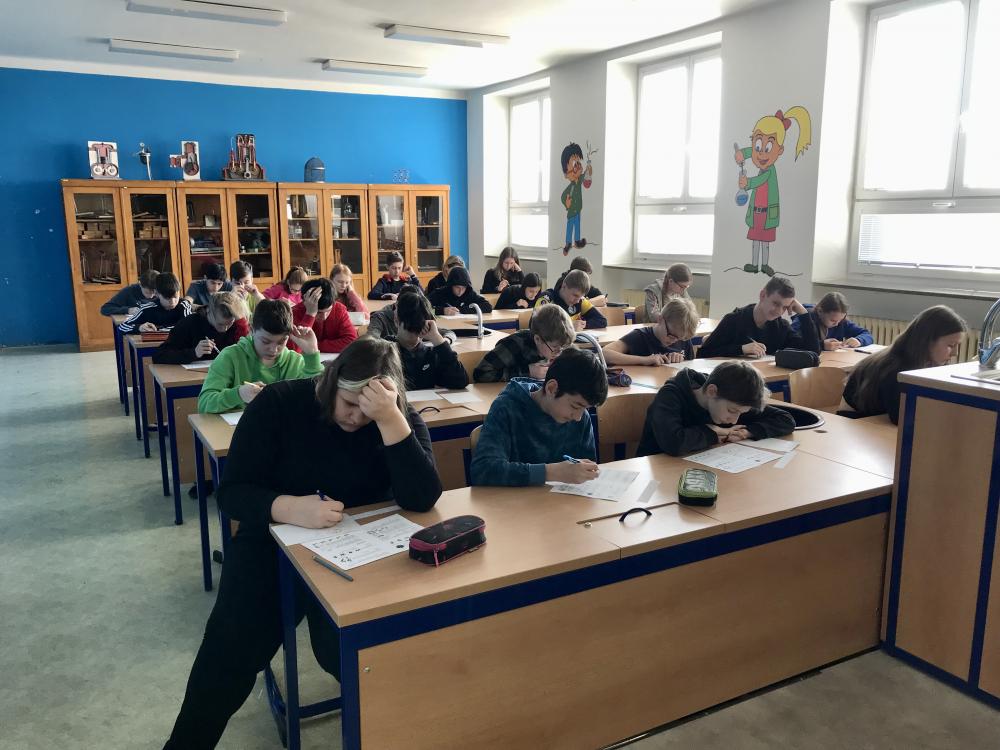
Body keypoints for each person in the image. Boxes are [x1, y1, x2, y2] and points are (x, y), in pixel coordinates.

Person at [165, 338, 442, 749]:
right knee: (228, 655)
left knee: (353, 656)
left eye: (369, 411)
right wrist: (290, 508)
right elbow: (233, 492)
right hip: (271, 544)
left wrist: (390, 421)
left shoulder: (392, 417)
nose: (356, 417)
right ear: (331, 382)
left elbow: (422, 498)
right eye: (349, 404)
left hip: (359, 557)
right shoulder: (280, 404)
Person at [471, 348, 607, 486]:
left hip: (560, 499)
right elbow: (483, 470)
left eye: (585, 408)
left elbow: (587, 470)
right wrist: (551, 472)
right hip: (512, 499)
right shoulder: (507, 407)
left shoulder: (581, 417)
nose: (578, 417)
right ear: (552, 388)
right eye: (575, 406)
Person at [637, 361, 795, 456]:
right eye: (732, 411)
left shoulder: (735, 400)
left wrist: (747, 432)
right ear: (712, 391)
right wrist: (712, 432)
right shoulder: (671, 395)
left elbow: (786, 420)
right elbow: (673, 443)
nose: (734, 420)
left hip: (702, 466)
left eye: (741, 413)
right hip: (659, 473)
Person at [842, 305, 966, 424]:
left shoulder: (923, 364)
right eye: (951, 345)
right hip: (855, 423)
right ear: (927, 341)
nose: (955, 353)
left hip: (877, 422)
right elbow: (902, 418)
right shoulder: (897, 369)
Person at [197, 299, 324, 413]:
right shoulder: (230, 356)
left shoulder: (294, 361)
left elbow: (321, 403)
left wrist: (312, 355)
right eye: (265, 341)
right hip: (236, 429)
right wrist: (238, 394)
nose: (273, 349)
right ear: (252, 330)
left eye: (281, 342)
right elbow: (204, 403)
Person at [697, 276, 819, 358]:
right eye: (776, 303)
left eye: (785, 307)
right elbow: (703, 354)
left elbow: (813, 352)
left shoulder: (781, 327)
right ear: (763, 295)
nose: (779, 311)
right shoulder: (734, 320)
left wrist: (803, 314)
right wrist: (741, 349)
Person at [474, 304, 576, 383]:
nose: (559, 353)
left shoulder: (558, 344)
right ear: (538, 339)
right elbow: (481, 374)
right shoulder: (515, 344)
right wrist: (527, 372)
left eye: (563, 347)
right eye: (555, 347)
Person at [389, 291, 468, 390]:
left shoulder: (431, 354)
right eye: (410, 328)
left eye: (418, 328)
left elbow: (460, 382)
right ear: (396, 320)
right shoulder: (383, 351)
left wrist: (437, 339)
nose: (415, 336)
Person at [152, 291, 249, 365]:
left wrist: (241, 323)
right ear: (208, 311)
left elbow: (249, 353)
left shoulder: (236, 324)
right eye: (220, 324)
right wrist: (194, 353)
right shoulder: (190, 323)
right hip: (191, 379)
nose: (225, 329)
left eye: (229, 323)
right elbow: (159, 356)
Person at [604, 298, 700, 366]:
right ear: (660, 320)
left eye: (680, 338)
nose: (674, 341)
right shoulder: (640, 336)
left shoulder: (683, 339)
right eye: (671, 335)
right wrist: (645, 360)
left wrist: (680, 361)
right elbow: (605, 353)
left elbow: (690, 367)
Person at [289, 277, 358, 354]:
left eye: (328, 311)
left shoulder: (339, 309)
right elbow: (293, 350)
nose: (324, 317)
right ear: (305, 302)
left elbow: (351, 341)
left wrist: (313, 346)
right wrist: (310, 314)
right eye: (318, 312)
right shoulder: (294, 312)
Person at [117, 272, 191, 334]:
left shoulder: (184, 305)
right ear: (156, 293)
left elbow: (188, 326)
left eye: (175, 297)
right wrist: (139, 327)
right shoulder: (147, 308)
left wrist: (159, 329)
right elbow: (122, 327)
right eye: (167, 298)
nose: (172, 302)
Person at [535, 269, 607, 330]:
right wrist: (569, 326)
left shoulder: (580, 301)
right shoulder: (547, 299)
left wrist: (582, 324)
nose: (578, 301)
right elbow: (536, 325)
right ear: (564, 286)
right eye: (575, 295)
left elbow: (602, 321)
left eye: (581, 297)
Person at [799, 292, 874, 350]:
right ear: (820, 311)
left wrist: (858, 340)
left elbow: (867, 334)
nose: (837, 324)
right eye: (832, 320)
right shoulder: (805, 319)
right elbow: (795, 342)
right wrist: (822, 345)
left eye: (840, 320)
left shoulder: (841, 322)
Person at [428, 267, 494, 315]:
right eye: (457, 287)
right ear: (451, 285)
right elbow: (423, 310)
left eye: (463, 288)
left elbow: (488, 307)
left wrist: (461, 310)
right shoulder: (439, 293)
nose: (460, 291)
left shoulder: (469, 293)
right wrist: (442, 311)